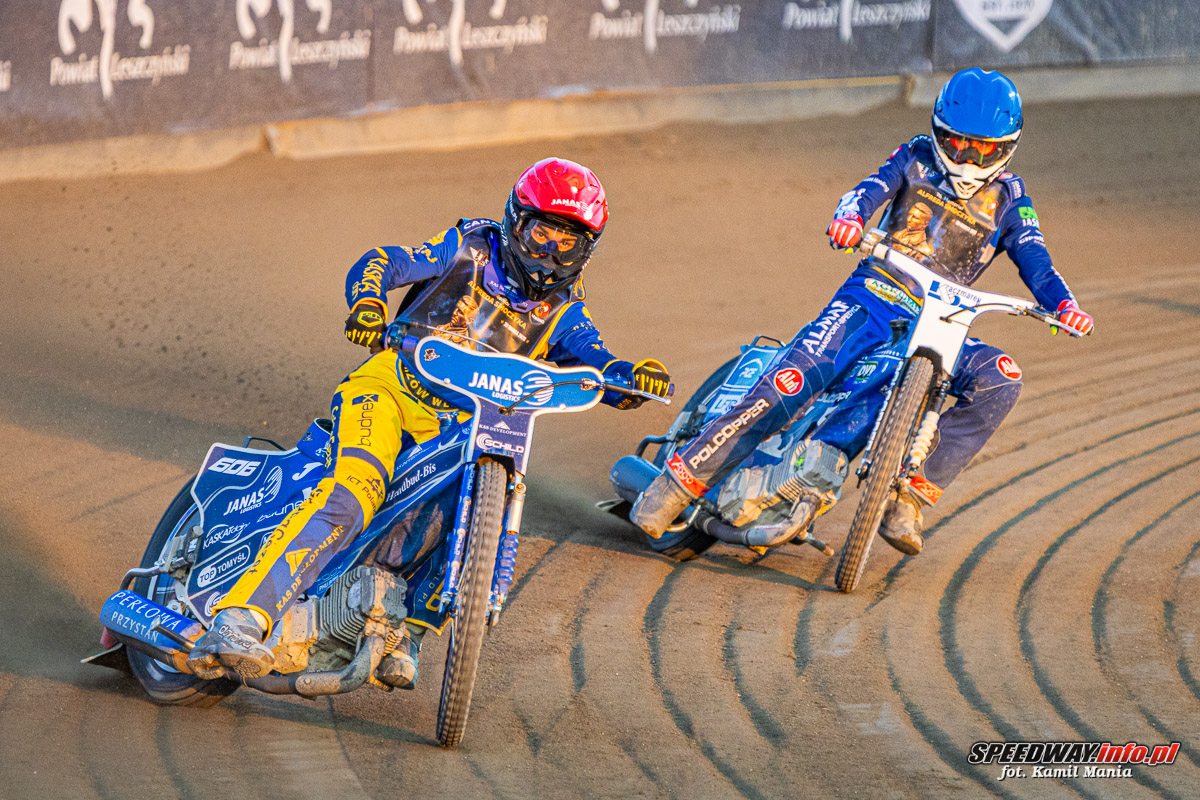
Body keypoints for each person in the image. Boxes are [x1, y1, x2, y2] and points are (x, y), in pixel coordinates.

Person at [189, 158, 672, 681]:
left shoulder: (566, 307)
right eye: (541, 234)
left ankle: (403, 628)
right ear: (516, 221)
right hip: (391, 389)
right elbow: (385, 261)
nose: (550, 253)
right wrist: (368, 303)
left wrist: (630, 379)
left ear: (586, 249)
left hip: (463, 427)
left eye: (567, 241)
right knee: (355, 490)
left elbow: (595, 360)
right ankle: (239, 619)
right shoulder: (469, 246)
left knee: (465, 511)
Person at [632, 67, 1094, 555]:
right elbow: (868, 190)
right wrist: (850, 217)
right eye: (958, 144)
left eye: (982, 149)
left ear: (1006, 147)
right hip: (874, 294)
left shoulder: (1012, 199)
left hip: (944, 322)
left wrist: (1064, 306)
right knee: (795, 377)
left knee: (1002, 377)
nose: (967, 159)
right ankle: (676, 485)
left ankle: (909, 499)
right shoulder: (915, 156)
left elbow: (1038, 263)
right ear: (939, 133)